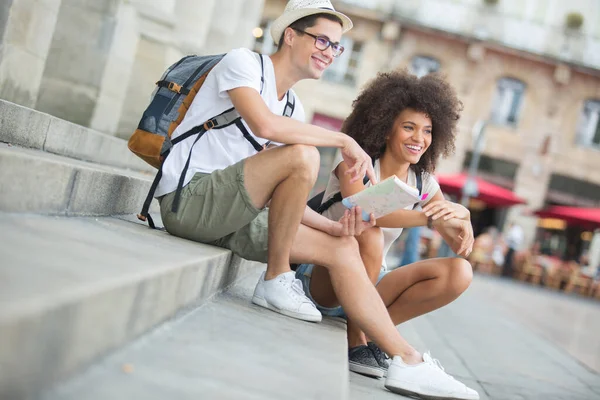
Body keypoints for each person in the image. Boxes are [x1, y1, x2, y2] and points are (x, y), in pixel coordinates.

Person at [153, 3, 476, 398]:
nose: (330, 52)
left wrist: (334, 227)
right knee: (305, 156)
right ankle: (277, 278)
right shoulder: (243, 64)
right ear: (291, 34)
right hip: (188, 202)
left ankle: (406, 361)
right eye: (322, 40)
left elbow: (281, 199)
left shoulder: (293, 106)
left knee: (344, 246)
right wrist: (342, 140)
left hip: (236, 216)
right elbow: (264, 125)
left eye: (337, 47)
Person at [295, 70, 480, 399]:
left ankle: (376, 337)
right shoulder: (357, 164)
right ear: (386, 127)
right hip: (325, 280)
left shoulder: (424, 184)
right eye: (409, 127)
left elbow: (458, 245)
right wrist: (427, 218)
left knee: (459, 272)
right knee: (368, 233)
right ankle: (356, 342)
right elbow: (369, 213)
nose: (419, 138)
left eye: (427, 131)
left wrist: (461, 216)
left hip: (373, 287)